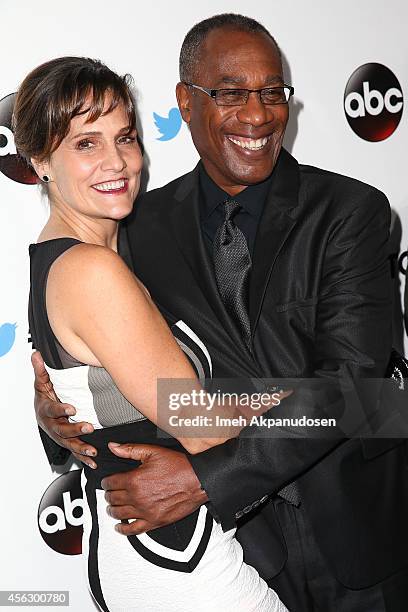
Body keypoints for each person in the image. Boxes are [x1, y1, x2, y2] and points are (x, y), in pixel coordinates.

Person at [32, 13, 408, 612]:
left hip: (356, 538)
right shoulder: (136, 229)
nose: (257, 116)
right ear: (185, 101)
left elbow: (356, 390)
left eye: (271, 93)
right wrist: (63, 414)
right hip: (237, 547)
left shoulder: (351, 211)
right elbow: (119, 373)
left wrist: (205, 477)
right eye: (232, 93)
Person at [17, 56, 288, 611]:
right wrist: (337, 401)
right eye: (85, 144)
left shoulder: (73, 257)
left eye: (126, 138)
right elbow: (203, 431)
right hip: (178, 570)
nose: (117, 162)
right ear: (41, 161)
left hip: (154, 554)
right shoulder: (91, 271)